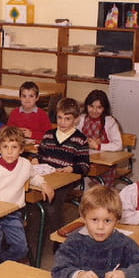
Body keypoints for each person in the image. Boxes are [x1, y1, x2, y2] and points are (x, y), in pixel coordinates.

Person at [0, 126, 55, 268]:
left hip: (13, 213)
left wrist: (44, 184)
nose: (9, 151)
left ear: (21, 149)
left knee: (21, 248)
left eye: (14, 147)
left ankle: (0, 263)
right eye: (5, 147)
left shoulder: (25, 164)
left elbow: (34, 176)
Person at [33, 97, 90, 234]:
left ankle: (58, 236)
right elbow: (41, 154)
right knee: (29, 196)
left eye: (67, 119)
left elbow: (84, 165)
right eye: (59, 118)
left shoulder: (80, 139)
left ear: (76, 119)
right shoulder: (49, 135)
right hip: (46, 176)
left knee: (53, 203)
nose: (62, 122)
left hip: (65, 180)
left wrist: (72, 168)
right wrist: (35, 159)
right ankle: (35, 232)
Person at [76, 90, 123, 185]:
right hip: (86, 159)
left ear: (104, 108)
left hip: (104, 164)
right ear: (86, 106)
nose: (94, 111)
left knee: (97, 185)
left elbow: (118, 145)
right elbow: (75, 137)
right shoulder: (81, 119)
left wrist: (98, 146)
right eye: (91, 106)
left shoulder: (109, 122)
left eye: (99, 107)